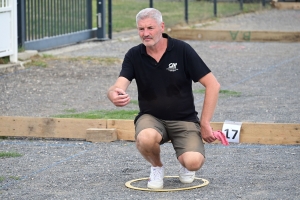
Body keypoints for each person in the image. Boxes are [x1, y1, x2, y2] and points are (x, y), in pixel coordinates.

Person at [107, 8, 220, 189]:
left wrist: (205, 123)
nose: (145, 34)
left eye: (150, 28)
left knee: (193, 162)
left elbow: (213, 85)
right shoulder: (134, 55)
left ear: (161, 26)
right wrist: (114, 94)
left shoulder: (182, 50)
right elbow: (119, 85)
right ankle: (157, 167)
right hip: (151, 118)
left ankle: (185, 165)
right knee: (145, 137)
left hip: (184, 119)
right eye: (141, 29)